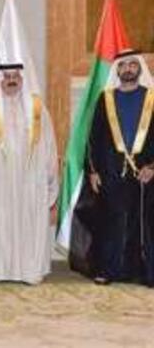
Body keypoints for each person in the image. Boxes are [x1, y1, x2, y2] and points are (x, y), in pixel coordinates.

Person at [0, 59, 58, 284]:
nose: (11, 80)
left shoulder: (37, 108)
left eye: (16, 76)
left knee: (28, 222)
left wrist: (49, 172)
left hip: (30, 178)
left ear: (23, 79)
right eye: (7, 77)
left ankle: (28, 271)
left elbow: (49, 143)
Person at [70, 49, 154, 287]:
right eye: (123, 65)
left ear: (139, 68)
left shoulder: (152, 99)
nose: (128, 69)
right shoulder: (105, 99)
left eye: (132, 64)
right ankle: (107, 269)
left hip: (145, 172)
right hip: (110, 170)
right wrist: (93, 171)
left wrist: (152, 167)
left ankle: (144, 271)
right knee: (110, 220)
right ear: (117, 70)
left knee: (143, 222)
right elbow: (93, 138)